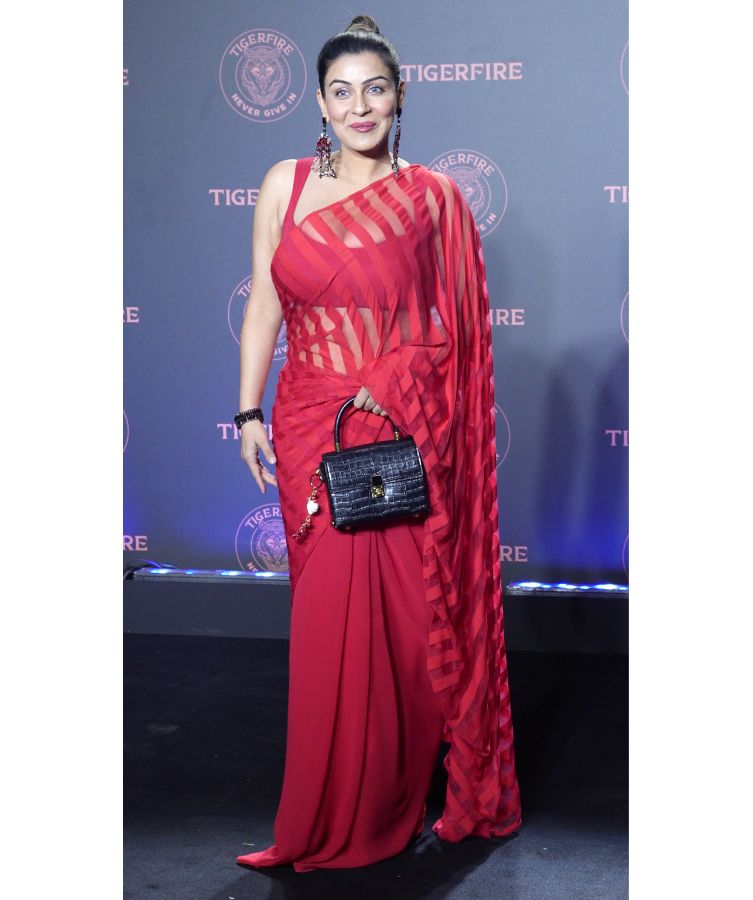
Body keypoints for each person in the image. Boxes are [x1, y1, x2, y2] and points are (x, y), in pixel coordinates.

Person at [233, 14, 523, 872]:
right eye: (341, 92)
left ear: (400, 98)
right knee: (326, 626)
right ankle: (321, 814)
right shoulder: (284, 184)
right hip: (306, 422)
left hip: (389, 429)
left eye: (375, 90)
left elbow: (457, 333)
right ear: (320, 105)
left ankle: (386, 805)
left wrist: (396, 374)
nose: (359, 107)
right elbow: (264, 304)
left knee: (398, 628)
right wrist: (247, 413)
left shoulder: (433, 197)